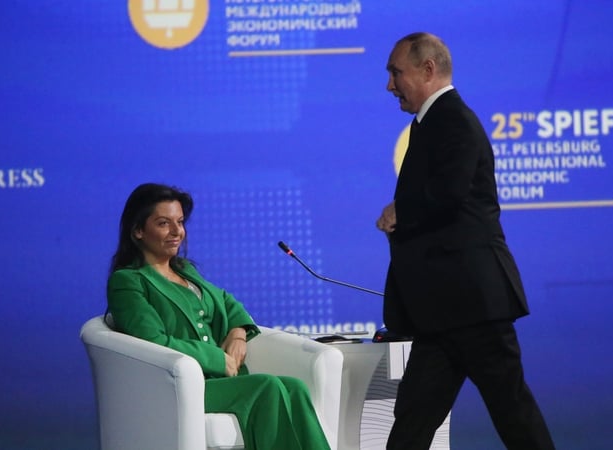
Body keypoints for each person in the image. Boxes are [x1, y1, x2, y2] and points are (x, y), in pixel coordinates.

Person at [375, 33, 556, 450]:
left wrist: (403, 210)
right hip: (442, 312)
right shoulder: (430, 124)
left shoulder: (452, 119)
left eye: (395, 72)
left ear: (427, 70)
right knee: (412, 425)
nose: (390, 85)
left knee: (513, 415)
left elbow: (451, 193)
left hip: (474, 307)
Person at [107, 182, 330, 450]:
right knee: (266, 387)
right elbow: (150, 340)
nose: (177, 232)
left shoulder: (186, 270)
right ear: (138, 231)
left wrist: (238, 333)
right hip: (180, 387)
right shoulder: (128, 281)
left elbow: (227, 301)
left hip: (219, 381)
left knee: (295, 388)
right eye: (164, 223)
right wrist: (217, 359)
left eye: (180, 222)